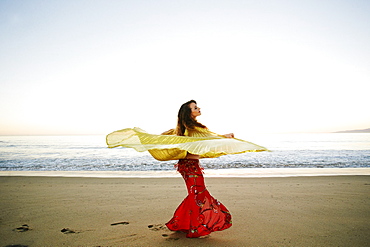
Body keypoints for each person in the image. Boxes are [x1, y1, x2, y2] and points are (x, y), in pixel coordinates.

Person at [106, 100, 268, 238]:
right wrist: (223, 137)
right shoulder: (189, 128)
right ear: (188, 112)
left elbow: (205, 138)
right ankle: (193, 226)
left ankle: (180, 223)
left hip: (190, 166)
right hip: (189, 167)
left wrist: (221, 137)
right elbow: (207, 138)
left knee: (195, 194)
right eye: (195, 107)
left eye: (197, 107)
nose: (198, 109)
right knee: (198, 194)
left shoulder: (189, 128)